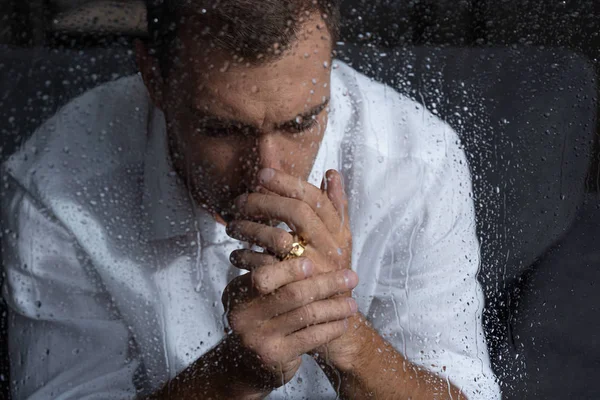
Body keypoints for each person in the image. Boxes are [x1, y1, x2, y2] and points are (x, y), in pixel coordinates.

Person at [0, 0, 500, 398]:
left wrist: (344, 335)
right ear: (153, 76)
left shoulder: (418, 161)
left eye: (301, 122)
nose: (267, 170)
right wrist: (232, 377)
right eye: (222, 128)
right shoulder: (55, 188)